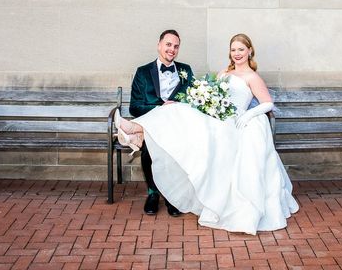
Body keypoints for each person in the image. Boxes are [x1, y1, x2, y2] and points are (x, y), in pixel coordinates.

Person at [116, 33, 299, 235]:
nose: (237, 53)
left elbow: (267, 103)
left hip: (234, 122)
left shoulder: (252, 77)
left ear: (249, 51)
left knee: (178, 110)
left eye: (241, 49)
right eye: (233, 49)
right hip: (217, 118)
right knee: (177, 109)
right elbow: (210, 96)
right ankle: (138, 131)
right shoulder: (223, 73)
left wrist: (249, 115)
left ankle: (136, 130)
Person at [128, 29, 194, 216]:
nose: (172, 49)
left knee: (180, 148)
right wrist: (161, 108)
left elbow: (193, 100)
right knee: (150, 147)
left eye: (176, 46)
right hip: (153, 125)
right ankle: (152, 193)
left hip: (178, 125)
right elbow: (135, 106)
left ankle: (173, 196)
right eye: (168, 44)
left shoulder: (186, 70)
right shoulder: (142, 72)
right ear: (159, 45)